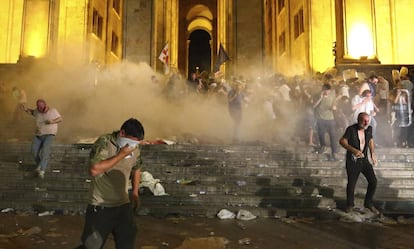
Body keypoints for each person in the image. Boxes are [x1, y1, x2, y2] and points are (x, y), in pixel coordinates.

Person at [77, 118, 144, 249]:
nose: (132, 147)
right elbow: (94, 169)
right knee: (92, 245)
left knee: (127, 242)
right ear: (122, 133)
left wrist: (135, 192)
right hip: (101, 206)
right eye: (131, 142)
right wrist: (121, 155)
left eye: (136, 144)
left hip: (123, 206)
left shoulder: (134, 148)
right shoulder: (105, 142)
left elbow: (137, 166)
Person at [339, 112, 379, 214]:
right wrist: (353, 150)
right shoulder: (351, 129)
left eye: (367, 121)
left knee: (373, 181)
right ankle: (350, 204)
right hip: (353, 161)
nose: (366, 123)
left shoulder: (369, 129)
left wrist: (372, 154)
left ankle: (368, 202)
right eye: (364, 121)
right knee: (352, 183)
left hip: (364, 160)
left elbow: (370, 141)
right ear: (359, 120)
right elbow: (342, 141)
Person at [23, 99, 62, 178]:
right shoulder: (37, 111)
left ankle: (42, 171)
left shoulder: (53, 111)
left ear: (45, 105)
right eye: (38, 107)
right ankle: (39, 165)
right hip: (38, 135)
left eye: (41, 107)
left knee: (45, 151)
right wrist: (26, 110)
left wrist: (52, 121)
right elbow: (32, 112)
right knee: (34, 151)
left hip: (49, 134)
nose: (40, 109)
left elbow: (60, 119)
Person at [313, 83, 338, 160]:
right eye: (325, 91)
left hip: (330, 118)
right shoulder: (318, 95)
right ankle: (323, 146)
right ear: (323, 90)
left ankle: (334, 152)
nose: (327, 92)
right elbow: (314, 106)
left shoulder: (332, 95)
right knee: (321, 134)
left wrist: (334, 107)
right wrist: (320, 98)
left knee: (333, 136)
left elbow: (334, 105)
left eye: (328, 91)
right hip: (321, 118)